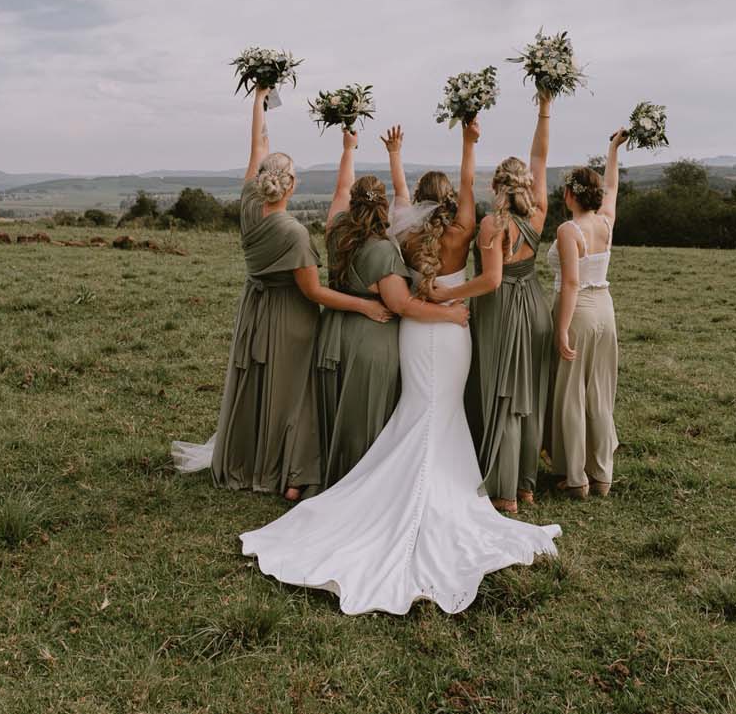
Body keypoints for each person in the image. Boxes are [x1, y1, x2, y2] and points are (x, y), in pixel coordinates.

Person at [239, 118, 561, 614]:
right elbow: (466, 184)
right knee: (444, 406)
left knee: (419, 405)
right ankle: (443, 485)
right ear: (451, 199)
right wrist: (468, 141)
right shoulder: (463, 229)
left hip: (414, 333)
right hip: (451, 329)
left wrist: (394, 157)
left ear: (414, 207)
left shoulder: (406, 237)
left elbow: (399, 197)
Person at [169, 86, 392, 500]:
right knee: (293, 395)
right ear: (289, 186)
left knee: (255, 384)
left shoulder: (249, 207)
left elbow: (257, 146)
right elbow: (313, 293)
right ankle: (287, 471)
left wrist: (259, 99)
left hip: (255, 308)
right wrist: (366, 305)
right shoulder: (293, 233)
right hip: (291, 318)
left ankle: (249, 456)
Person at [316, 129, 467, 486]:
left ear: (352, 203)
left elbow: (340, 191)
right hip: (370, 337)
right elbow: (399, 304)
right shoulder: (384, 250)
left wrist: (348, 150)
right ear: (382, 206)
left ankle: (330, 476)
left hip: (332, 331)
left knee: (335, 408)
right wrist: (449, 313)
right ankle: (360, 484)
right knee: (364, 414)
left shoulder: (336, 229)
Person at [430, 95, 553, 515]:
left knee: (500, 391)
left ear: (497, 186)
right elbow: (540, 157)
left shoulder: (492, 223)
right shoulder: (538, 215)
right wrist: (544, 109)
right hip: (536, 307)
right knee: (527, 394)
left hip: (501, 310)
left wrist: (446, 294)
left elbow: (491, 279)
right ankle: (525, 486)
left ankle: (503, 490)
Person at [548, 130, 625, 498]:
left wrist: (561, 329)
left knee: (571, 395)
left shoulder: (569, 230)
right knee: (599, 391)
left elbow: (570, 285)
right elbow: (612, 187)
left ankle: (576, 478)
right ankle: (603, 475)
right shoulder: (606, 223)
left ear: (569, 195)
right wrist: (612, 151)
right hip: (606, 313)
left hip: (578, 313)